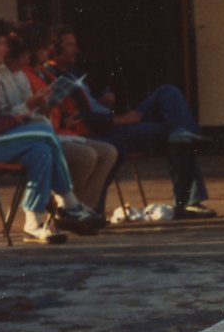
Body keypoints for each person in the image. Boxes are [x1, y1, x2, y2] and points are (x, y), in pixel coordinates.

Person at [41, 26, 215, 218]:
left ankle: (183, 134)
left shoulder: (73, 73)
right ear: (54, 48)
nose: (76, 50)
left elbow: (88, 105)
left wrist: (103, 101)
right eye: (70, 45)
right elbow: (83, 118)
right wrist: (119, 119)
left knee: (168, 93)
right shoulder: (50, 76)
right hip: (102, 131)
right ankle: (189, 202)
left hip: (111, 120)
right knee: (175, 134)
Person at [0, 15, 100, 242]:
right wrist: (18, 118)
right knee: (44, 133)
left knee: (40, 151)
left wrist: (19, 117)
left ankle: (34, 221)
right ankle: (68, 201)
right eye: (1, 43)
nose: (6, 49)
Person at [5, 24, 118, 214]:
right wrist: (40, 106)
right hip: (44, 134)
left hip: (58, 130)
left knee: (109, 152)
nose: (47, 51)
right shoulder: (23, 74)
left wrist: (62, 119)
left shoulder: (43, 72)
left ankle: (84, 207)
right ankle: (67, 208)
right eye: (42, 48)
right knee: (86, 156)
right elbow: (25, 112)